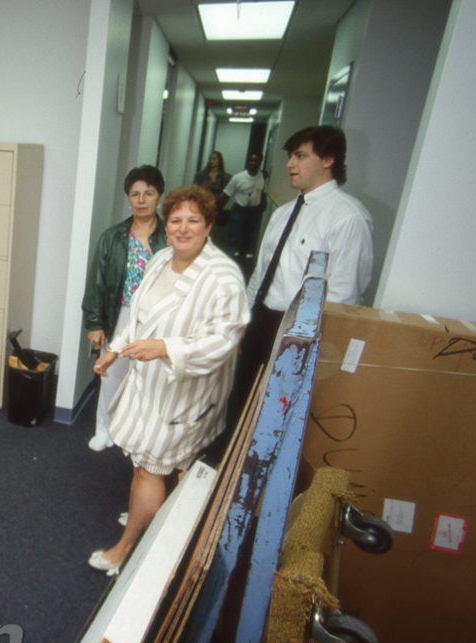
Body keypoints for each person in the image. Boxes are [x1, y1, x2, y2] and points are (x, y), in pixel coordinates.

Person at [87, 185, 248, 573]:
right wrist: (114, 349)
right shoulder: (161, 259)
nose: (182, 227)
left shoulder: (223, 277)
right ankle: (151, 515)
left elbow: (223, 342)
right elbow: (139, 314)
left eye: (194, 220)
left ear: (209, 226)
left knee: (150, 467)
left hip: (185, 392)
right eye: (176, 219)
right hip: (151, 385)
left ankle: (125, 550)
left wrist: (164, 348)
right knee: (156, 463)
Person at [233, 126, 374, 414]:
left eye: (300, 156)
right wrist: (244, 320)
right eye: (290, 156)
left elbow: (344, 295)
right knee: (242, 404)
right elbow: (260, 273)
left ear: (328, 160)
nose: (289, 164)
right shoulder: (282, 213)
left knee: (277, 415)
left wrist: (311, 345)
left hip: (300, 333)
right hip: (262, 323)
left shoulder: (348, 217)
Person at [81, 166, 168, 452]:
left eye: (149, 193)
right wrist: (94, 324)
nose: (141, 200)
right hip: (120, 314)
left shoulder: (170, 237)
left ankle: (139, 434)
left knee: (150, 376)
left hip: (157, 319)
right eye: (135, 194)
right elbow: (96, 282)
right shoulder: (112, 237)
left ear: (159, 197)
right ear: (128, 198)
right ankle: (105, 429)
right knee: (113, 375)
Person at [222, 153, 266, 257]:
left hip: (253, 212)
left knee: (248, 238)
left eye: (256, 161)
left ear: (260, 163)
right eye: (251, 160)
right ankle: (229, 260)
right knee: (234, 237)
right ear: (247, 162)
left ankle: (242, 261)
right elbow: (226, 194)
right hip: (238, 211)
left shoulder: (263, 176)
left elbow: (263, 192)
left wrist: (263, 205)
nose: (253, 163)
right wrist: (217, 210)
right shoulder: (238, 178)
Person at [193, 150, 231, 220]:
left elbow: (226, 194)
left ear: (219, 161)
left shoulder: (225, 177)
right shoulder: (201, 175)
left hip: (217, 207)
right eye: (210, 158)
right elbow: (195, 189)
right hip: (202, 205)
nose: (211, 161)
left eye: (214, 159)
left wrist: (218, 203)